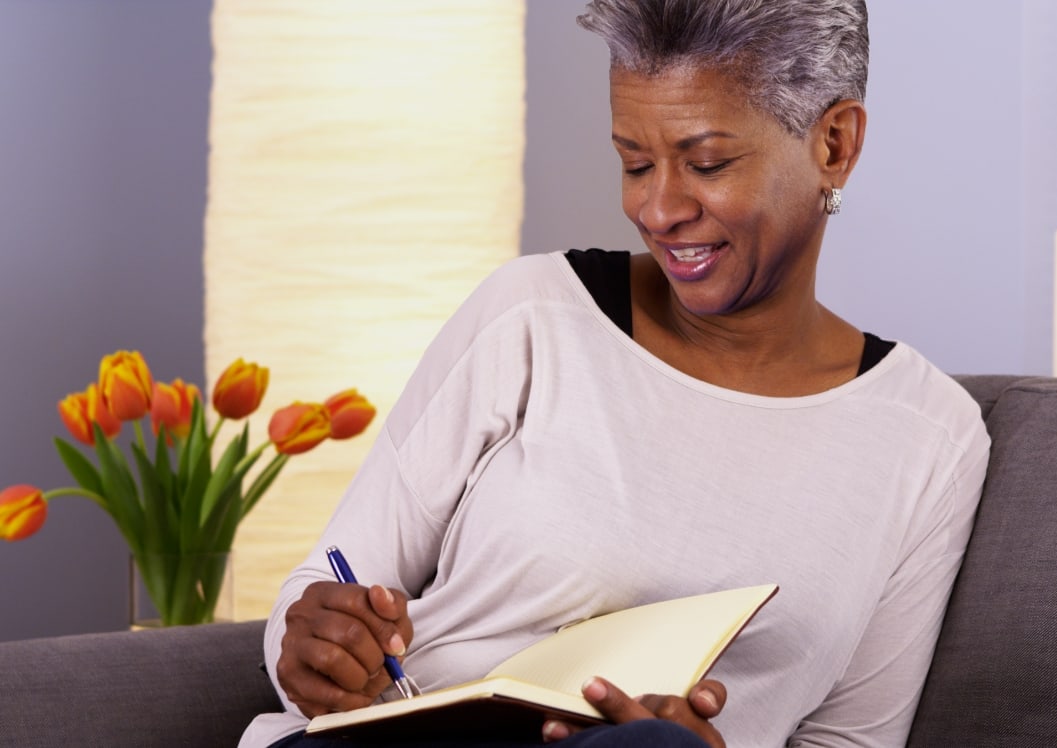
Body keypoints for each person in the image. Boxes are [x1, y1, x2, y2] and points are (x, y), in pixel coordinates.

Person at [240, 1, 990, 746]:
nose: (656, 208)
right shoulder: (533, 315)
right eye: (634, 163)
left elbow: (854, 742)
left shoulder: (929, 438)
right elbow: (323, 588)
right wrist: (312, 644)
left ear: (833, 144)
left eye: (706, 163)